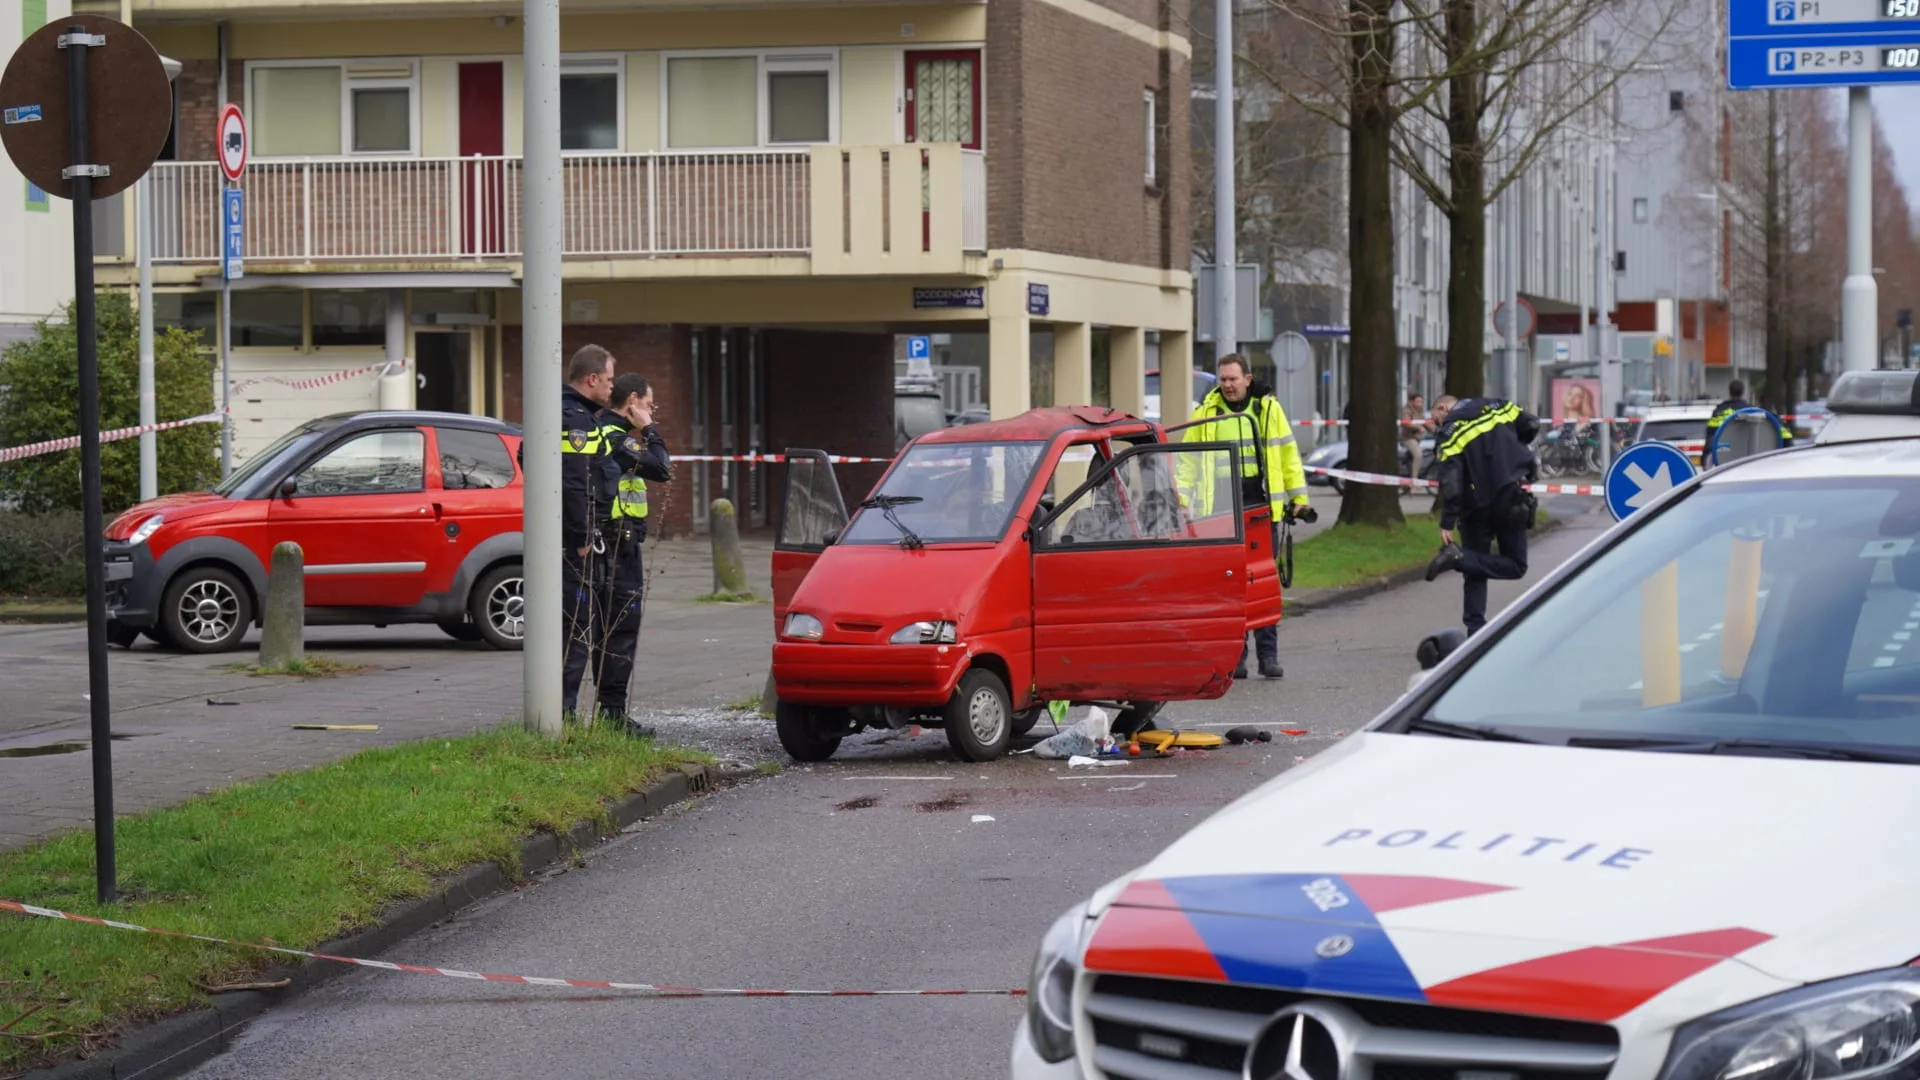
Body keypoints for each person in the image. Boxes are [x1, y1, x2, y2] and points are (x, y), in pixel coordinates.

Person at [1179, 354, 1313, 680]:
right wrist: (1181, 500)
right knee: (1230, 587)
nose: (1227, 385)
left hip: (1262, 509)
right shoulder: (1205, 414)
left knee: (1263, 585)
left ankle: (1268, 656)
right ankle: (1235, 657)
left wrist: (1299, 500)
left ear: (1247, 379)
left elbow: (1288, 456)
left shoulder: (1267, 410)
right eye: (1222, 379)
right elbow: (1187, 463)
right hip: (1222, 511)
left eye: (1233, 379)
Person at [580, 372, 673, 734]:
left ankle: (606, 712)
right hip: (616, 549)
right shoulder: (617, 439)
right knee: (619, 629)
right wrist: (649, 429)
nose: (651, 412)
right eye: (648, 405)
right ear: (632, 401)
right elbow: (662, 467)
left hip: (609, 544)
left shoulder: (601, 431)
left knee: (603, 629)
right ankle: (613, 716)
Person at [1423, 394, 1541, 636]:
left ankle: (1475, 630)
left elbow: (1451, 482)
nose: (1438, 425)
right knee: (1516, 565)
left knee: (1474, 568)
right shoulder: (1497, 406)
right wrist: (1514, 452)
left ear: (1444, 407)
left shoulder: (1449, 433)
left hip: (1474, 508)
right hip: (1510, 497)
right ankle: (1462, 560)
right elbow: (1531, 424)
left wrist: (1447, 521)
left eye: (1437, 420)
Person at [558, 344, 618, 723]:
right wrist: (581, 538)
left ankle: (560, 713)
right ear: (591, 379)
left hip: (571, 537)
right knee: (575, 630)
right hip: (574, 543)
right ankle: (560, 715)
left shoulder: (573, 415)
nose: (612, 388)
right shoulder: (575, 420)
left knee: (575, 627)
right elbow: (574, 483)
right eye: (609, 380)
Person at [1706, 378, 1793, 463]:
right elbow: (1787, 439)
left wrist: (1705, 459)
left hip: (1724, 465)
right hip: (1754, 464)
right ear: (1743, 392)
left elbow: (1710, 438)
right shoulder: (1754, 412)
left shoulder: (1719, 412)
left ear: (1729, 392)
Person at [1402, 393, 1427, 479]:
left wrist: (1436, 429)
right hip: (1408, 438)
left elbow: (1425, 421)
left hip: (1417, 438)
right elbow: (1406, 422)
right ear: (1412, 402)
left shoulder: (1420, 410)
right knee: (1418, 455)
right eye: (1418, 402)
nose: (1420, 404)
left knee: (1413, 457)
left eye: (1421, 402)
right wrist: (1418, 427)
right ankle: (1414, 480)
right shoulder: (1407, 410)